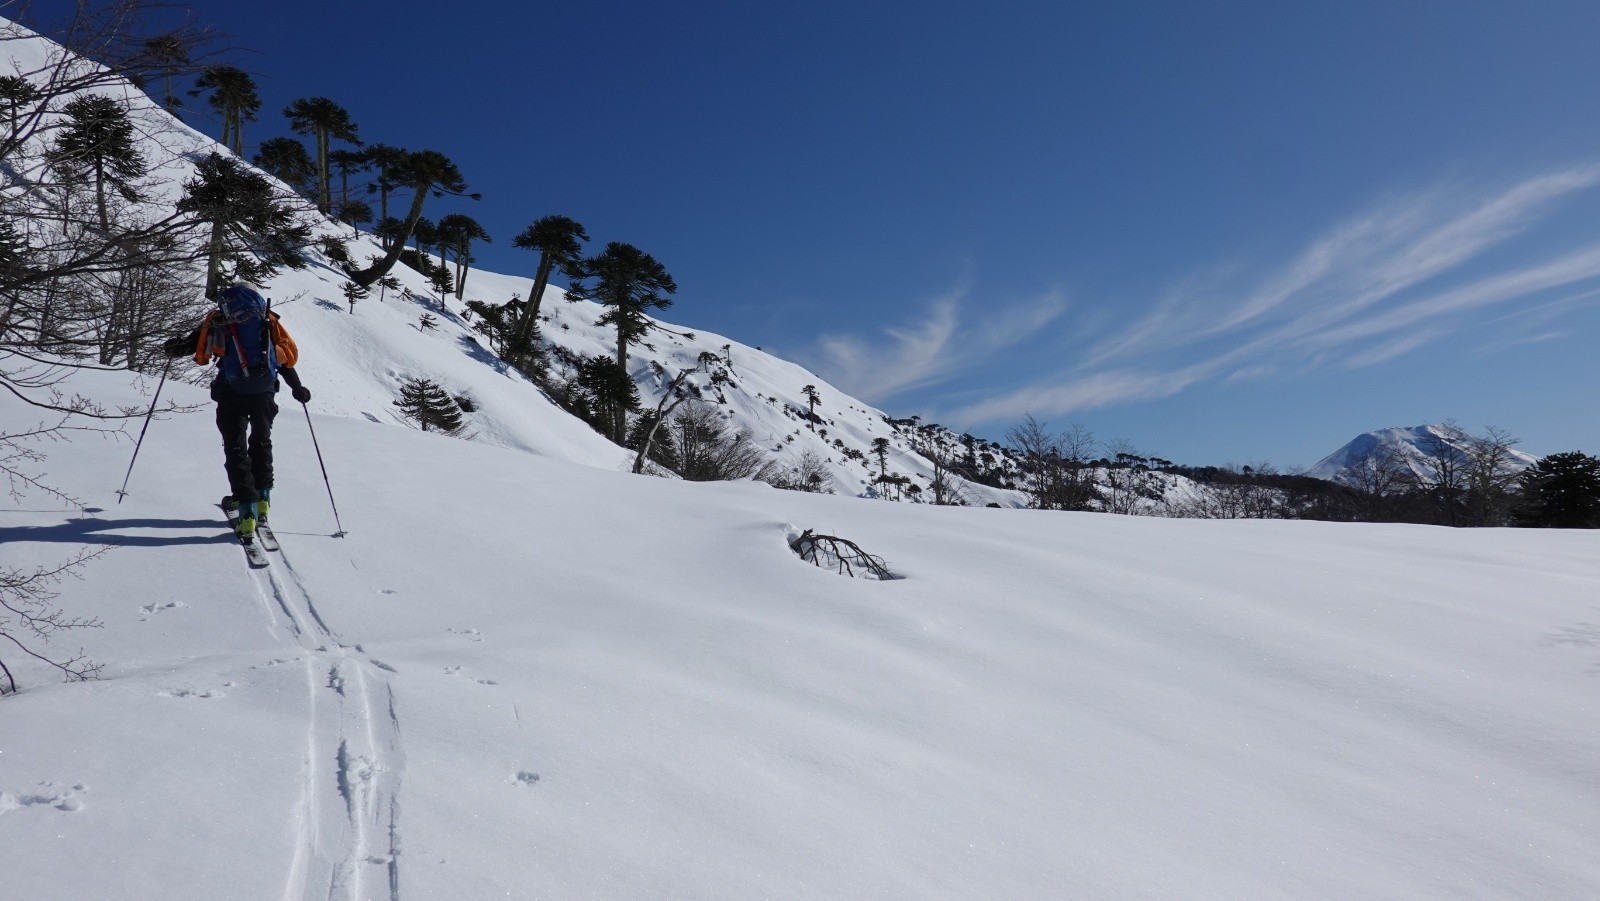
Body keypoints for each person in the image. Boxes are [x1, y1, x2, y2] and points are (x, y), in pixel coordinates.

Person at [164, 283, 311, 542]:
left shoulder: (220, 320)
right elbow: (284, 358)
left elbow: (191, 348)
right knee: (261, 442)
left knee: (235, 449)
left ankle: (247, 512)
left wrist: (173, 347)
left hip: (231, 393)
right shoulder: (267, 319)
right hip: (264, 393)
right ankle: (263, 499)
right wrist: (297, 388)